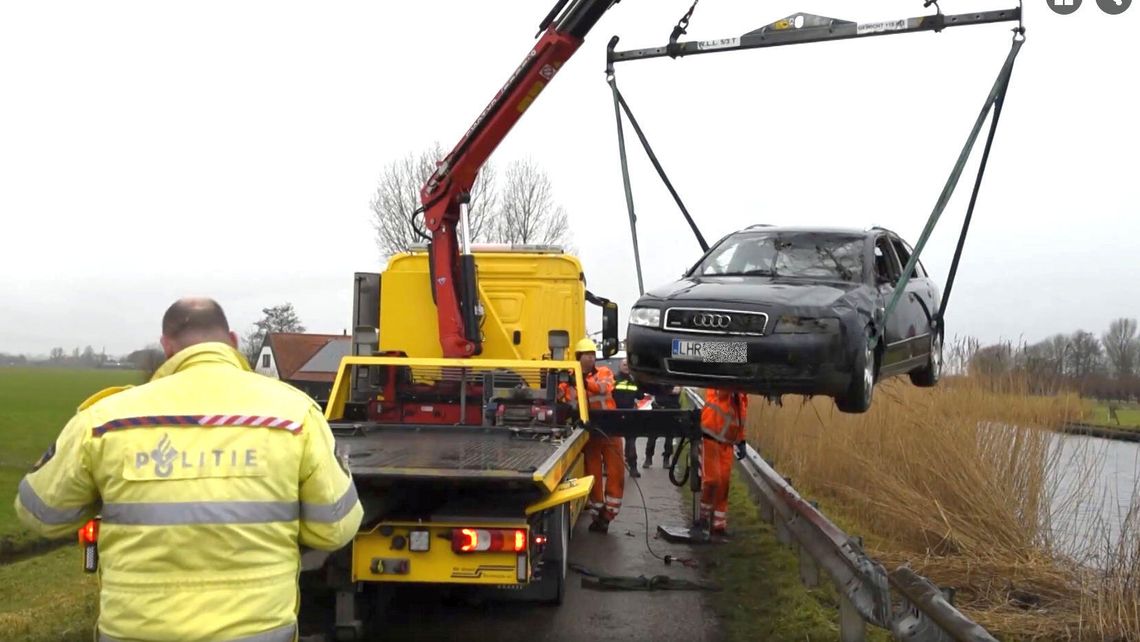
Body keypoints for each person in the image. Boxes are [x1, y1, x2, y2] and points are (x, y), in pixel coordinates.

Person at [15, 297, 363, 642]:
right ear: (234, 341)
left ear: (167, 347)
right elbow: (334, 529)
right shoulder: (294, 414)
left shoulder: (105, 420)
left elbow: (41, 514)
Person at [559, 337, 623, 533]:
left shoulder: (604, 372)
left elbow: (604, 387)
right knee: (592, 473)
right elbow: (562, 398)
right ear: (578, 357)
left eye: (593, 355)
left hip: (610, 430)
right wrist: (562, 382)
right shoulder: (571, 378)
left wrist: (582, 382)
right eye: (586, 355)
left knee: (616, 473)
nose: (591, 359)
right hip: (589, 433)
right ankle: (597, 513)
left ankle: (609, 512)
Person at [699, 388, 748, 536]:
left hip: (727, 443)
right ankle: (703, 517)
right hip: (711, 437)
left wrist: (741, 439)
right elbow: (723, 392)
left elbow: (740, 418)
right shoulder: (718, 386)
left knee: (724, 483)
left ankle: (718, 525)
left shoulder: (741, 395)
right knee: (712, 480)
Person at [612, 358, 644, 477]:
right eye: (624, 364)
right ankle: (608, 466)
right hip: (615, 414)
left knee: (631, 442)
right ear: (620, 366)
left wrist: (640, 384)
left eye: (628, 365)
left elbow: (640, 396)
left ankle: (633, 467)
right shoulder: (613, 379)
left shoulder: (634, 380)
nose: (626, 367)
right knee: (612, 442)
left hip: (630, 413)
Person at [643, 383, 680, 467]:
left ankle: (666, 459)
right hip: (658, 409)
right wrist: (668, 390)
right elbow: (654, 389)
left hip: (671, 411)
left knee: (669, 437)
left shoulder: (675, 380)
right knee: (652, 436)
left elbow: (677, 390)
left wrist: (663, 390)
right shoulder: (659, 379)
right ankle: (648, 458)